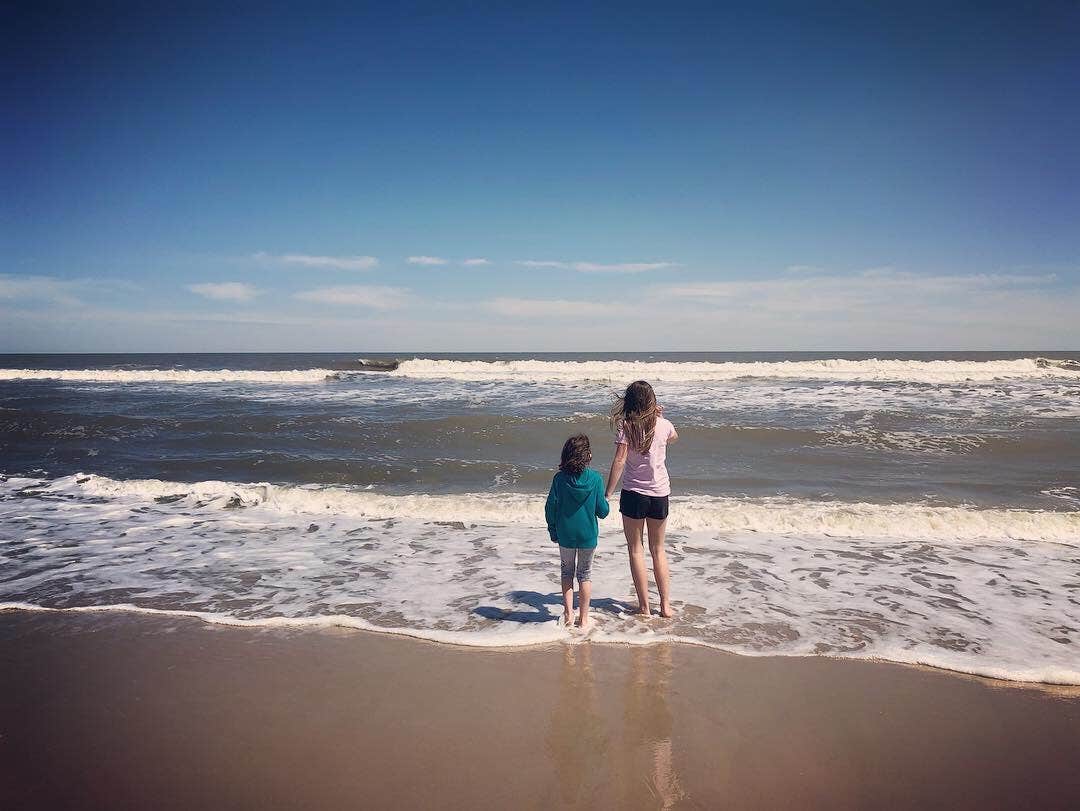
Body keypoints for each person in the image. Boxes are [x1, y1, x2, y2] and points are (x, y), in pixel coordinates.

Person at [604, 380, 678, 617]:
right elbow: (673, 437)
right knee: (658, 549)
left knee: (636, 549)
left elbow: (619, 461)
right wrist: (660, 417)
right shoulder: (664, 425)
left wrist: (607, 493)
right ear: (652, 401)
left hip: (634, 494)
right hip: (659, 493)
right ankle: (665, 606)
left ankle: (645, 607)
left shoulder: (627, 427)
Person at [545, 434, 610, 628]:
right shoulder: (596, 479)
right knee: (585, 575)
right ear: (588, 456)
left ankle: (568, 614)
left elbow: (550, 508)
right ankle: (583, 618)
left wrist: (552, 530)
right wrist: (605, 502)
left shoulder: (559, 479)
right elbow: (603, 511)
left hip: (565, 535)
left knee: (567, 573)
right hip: (588, 536)